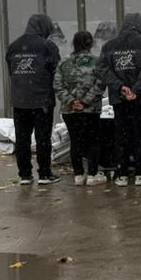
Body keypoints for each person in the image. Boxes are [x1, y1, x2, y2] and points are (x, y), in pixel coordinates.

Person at [99, 12, 141, 187]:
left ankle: (122, 173)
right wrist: (136, 90)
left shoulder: (109, 46)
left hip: (119, 99)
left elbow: (103, 70)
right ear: (139, 26)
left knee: (121, 135)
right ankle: (140, 173)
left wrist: (120, 87)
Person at [6, 13, 61, 185]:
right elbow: (56, 72)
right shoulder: (47, 46)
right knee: (43, 138)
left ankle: (25, 175)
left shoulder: (14, 46)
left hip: (20, 101)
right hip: (41, 100)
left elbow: (11, 72)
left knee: (22, 139)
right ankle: (44, 174)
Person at [53, 31, 106, 187]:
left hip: (70, 111)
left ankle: (78, 175)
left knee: (75, 141)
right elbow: (100, 84)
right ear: (91, 44)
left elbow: (57, 85)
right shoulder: (97, 62)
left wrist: (71, 102)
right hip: (91, 110)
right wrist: (85, 102)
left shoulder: (64, 63)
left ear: (74, 44)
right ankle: (92, 175)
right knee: (93, 142)